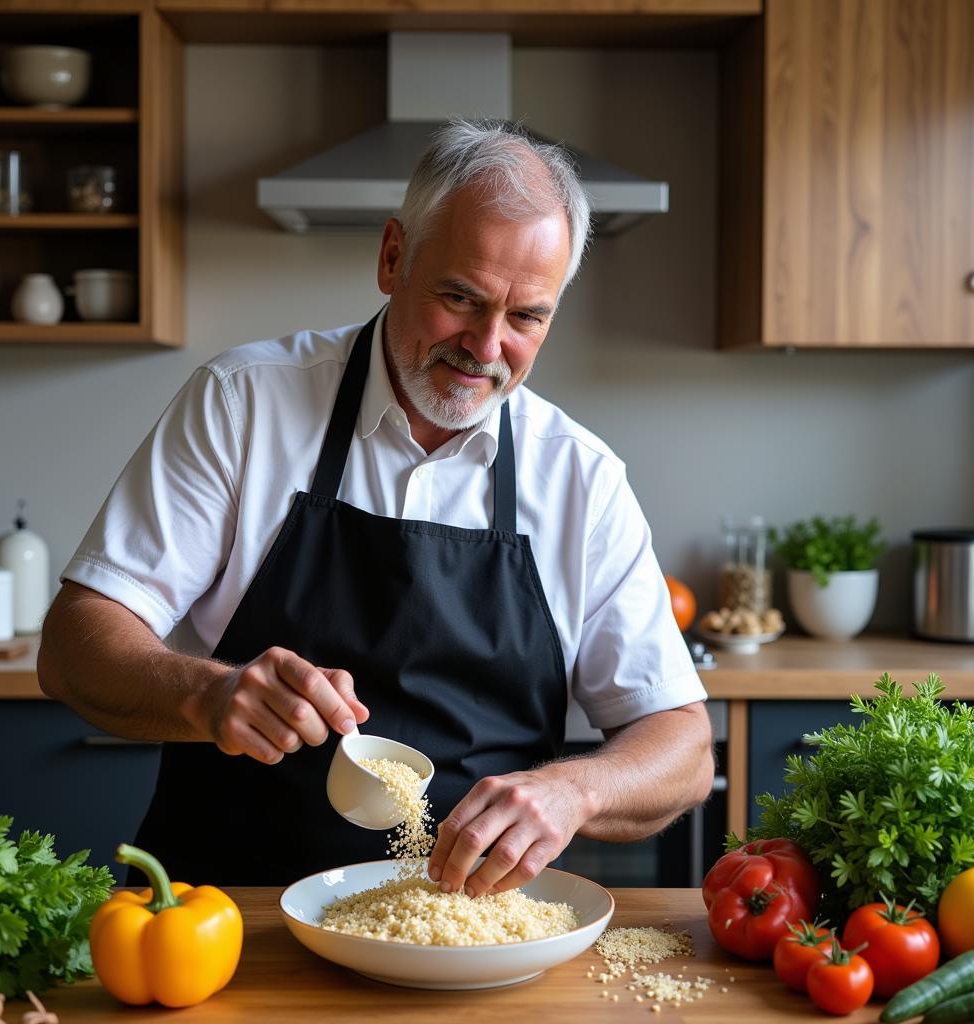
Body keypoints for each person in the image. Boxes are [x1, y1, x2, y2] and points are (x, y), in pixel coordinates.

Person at [38, 118, 714, 892]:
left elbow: (684, 747)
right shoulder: (244, 404)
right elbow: (72, 648)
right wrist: (207, 693)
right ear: (393, 257)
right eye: (460, 298)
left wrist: (574, 789)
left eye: (527, 317)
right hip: (227, 915)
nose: (487, 347)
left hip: (466, 931)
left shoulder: (581, 479)